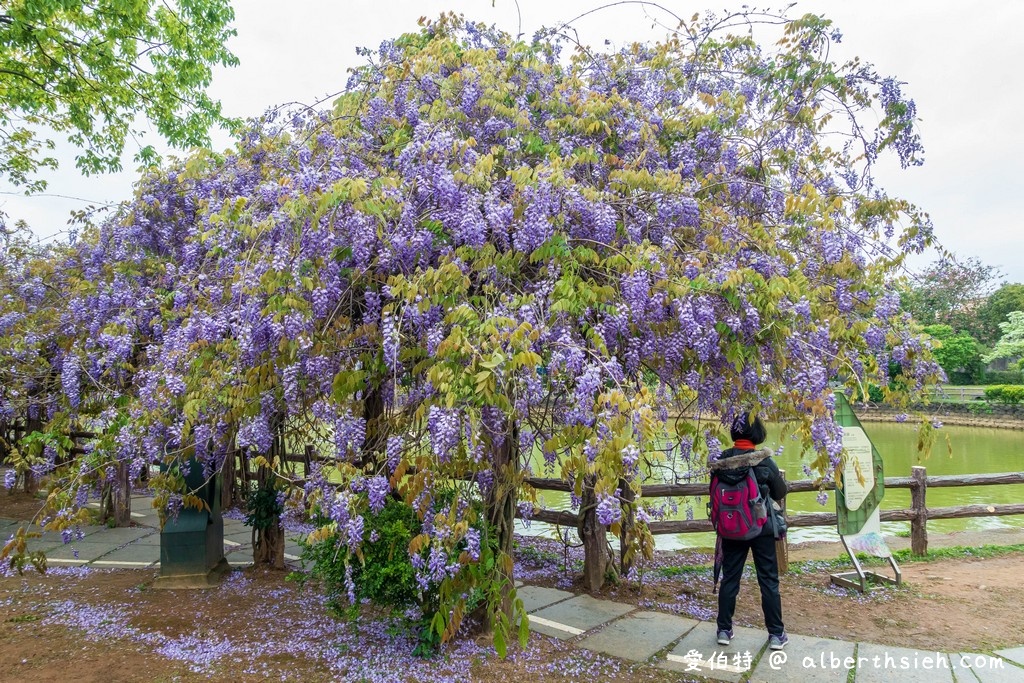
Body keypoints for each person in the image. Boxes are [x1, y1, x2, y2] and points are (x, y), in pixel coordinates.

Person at [712, 412, 788, 651]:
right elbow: (779, 492)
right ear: (757, 433)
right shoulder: (763, 460)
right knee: (768, 580)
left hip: (731, 527)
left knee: (730, 578)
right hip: (761, 527)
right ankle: (776, 634)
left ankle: (724, 630)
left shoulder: (721, 460)